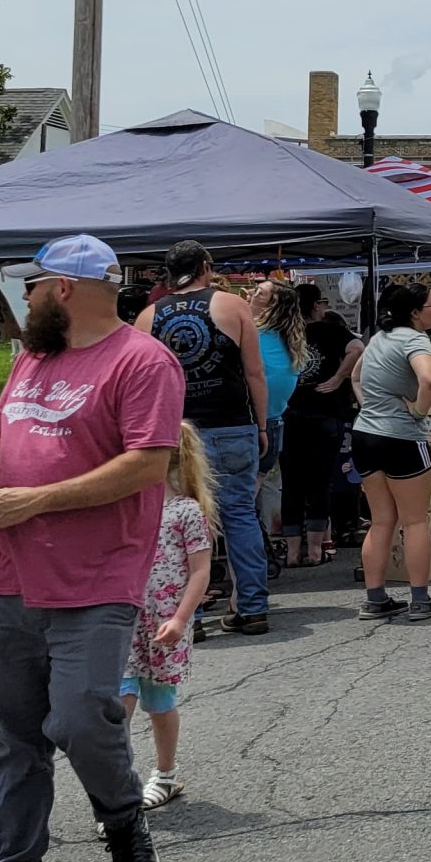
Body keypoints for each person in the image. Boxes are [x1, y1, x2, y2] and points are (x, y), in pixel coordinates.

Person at [0, 234, 182, 862]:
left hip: (97, 575)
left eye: (32, 286)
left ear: (63, 289)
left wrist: (33, 500)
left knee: (77, 719)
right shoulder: (33, 359)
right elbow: (4, 430)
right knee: (15, 740)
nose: (25, 299)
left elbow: (145, 465)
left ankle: (122, 816)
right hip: (9, 572)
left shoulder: (142, 360)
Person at [137, 243, 270, 636]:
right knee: (240, 514)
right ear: (205, 268)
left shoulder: (147, 317)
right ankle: (252, 605)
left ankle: (187, 616)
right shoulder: (232, 306)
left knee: (179, 522)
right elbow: (254, 372)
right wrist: (261, 424)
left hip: (176, 431)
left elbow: (144, 385)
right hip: (231, 423)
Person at [118, 423, 214, 814]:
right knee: (116, 704)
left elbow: (200, 570)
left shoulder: (186, 511)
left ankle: (166, 773)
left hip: (164, 622)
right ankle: (118, 792)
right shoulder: (126, 507)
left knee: (159, 702)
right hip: (125, 620)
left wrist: (180, 619)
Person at [350, 282, 431, 622]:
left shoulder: (378, 338)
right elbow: (429, 380)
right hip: (402, 437)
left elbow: (356, 376)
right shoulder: (416, 339)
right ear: (415, 313)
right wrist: (418, 411)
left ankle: (374, 598)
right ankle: (419, 598)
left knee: (380, 520)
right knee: (415, 520)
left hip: (365, 434)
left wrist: (370, 406)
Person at [281, 282, 358, 567]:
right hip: (326, 410)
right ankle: (315, 549)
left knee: (291, 483)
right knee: (320, 481)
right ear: (315, 305)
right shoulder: (331, 330)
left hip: (289, 411)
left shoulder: (283, 332)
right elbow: (357, 347)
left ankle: (291, 551)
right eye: (322, 302)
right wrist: (338, 378)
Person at [252, 280, 304, 564]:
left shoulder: (255, 335)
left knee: (240, 507)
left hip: (256, 424)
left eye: (259, 293)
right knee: (249, 501)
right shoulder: (287, 337)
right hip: (272, 422)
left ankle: (251, 568)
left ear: (271, 305)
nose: (251, 294)